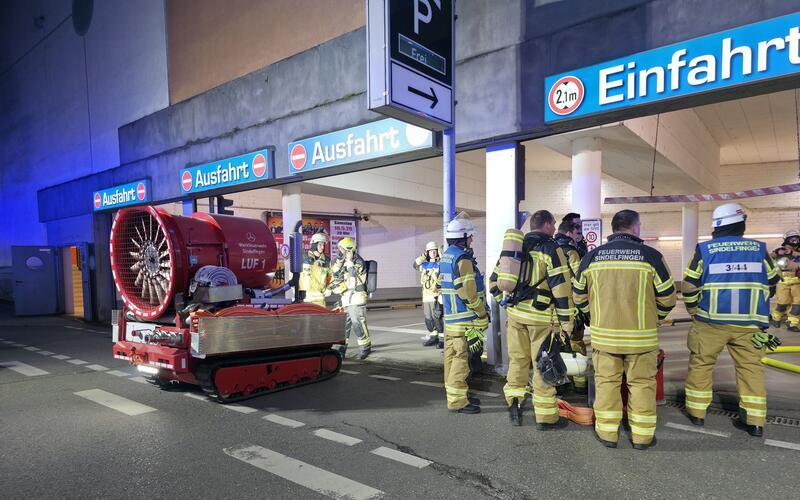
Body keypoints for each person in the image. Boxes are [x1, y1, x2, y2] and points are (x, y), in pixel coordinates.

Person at [573, 209, 676, 450]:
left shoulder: (591, 258)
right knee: (641, 384)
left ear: (613, 228)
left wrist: (593, 317)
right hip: (642, 338)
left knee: (606, 383)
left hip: (604, 338)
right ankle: (642, 437)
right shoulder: (651, 256)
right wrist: (655, 318)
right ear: (635, 227)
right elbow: (669, 298)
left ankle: (608, 434)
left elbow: (578, 297)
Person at [682, 203, 780, 437]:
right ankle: (755, 421)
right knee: (751, 369)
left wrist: (694, 310)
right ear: (741, 223)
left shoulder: (706, 250)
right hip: (751, 324)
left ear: (716, 226)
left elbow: (689, 285)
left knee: (701, 365)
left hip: (710, 322)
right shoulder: (759, 249)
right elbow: (773, 280)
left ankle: (697, 414)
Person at [501, 210, 574, 429]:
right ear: (548, 225)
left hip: (515, 316)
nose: (554, 228)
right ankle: (546, 417)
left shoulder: (515, 247)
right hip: (541, 319)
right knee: (544, 364)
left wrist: (508, 304)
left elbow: (496, 280)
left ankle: (514, 402)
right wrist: (567, 321)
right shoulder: (552, 249)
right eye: (553, 224)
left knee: (517, 360)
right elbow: (561, 288)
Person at [439, 212, 487, 414]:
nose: (472, 240)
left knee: (451, 359)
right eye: (470, 236)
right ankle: (458, 402)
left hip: (451, 319)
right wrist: (481, 312)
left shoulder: (447, 256)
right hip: (465, 320)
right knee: (461, 360)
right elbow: (468, 292)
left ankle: (455, 396)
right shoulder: (463, 259)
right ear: (463, 236)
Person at [554, 220, 587, 394]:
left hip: (552, 309)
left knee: (557, 345)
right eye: (577, 232)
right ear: (569, 234)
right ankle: (580, 384)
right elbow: (579, 281)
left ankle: (559, 381)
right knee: (575, 343)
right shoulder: (571, 252)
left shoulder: (550, 249)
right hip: (570, 306)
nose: (579, 236)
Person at [326, 237, 372, 360]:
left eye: (341, 249)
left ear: (348, 250)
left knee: (358, 324)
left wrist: (350, 262)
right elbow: (336, 275)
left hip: (356, 297)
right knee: (343, 326)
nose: (339, 251)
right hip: (346, 297)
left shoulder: (358, 262)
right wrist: (340, 262)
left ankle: (365, 347)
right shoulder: (343, 261)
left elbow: (352, 281)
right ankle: (341, 349)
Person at [414, 241, 445, 348]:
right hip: (426, 295)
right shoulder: (425, 264)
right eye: (430, 251)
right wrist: (423, 256)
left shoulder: (439, 264)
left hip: (435, 295)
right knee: (429, 318)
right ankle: (433, 337)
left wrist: (441, 256)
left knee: (437, 318)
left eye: (434, 251)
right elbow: (415, 265)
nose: (433, 253)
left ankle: (442, 339)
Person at [769, 230, 800, 331]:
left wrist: (793, 253)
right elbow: (768, 258)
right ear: (787, 240)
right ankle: (776, 318)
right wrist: (776, 253)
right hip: (783, 282)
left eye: (797, 239)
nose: (795, 241)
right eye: (792, 239)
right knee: (782, 302)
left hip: (797, 282)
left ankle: (792, 323)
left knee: (797, 304)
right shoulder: (779, 251)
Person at [299, 232, 330, 307]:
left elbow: (331, 276)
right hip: (304, 300)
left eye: (323, 245)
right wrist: (295, 290)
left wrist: (330, 288)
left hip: (320, 301)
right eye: (320, 244)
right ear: (314, 244)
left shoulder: (326, 260)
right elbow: (293, 275)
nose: (322, 247)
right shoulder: (303, 258)